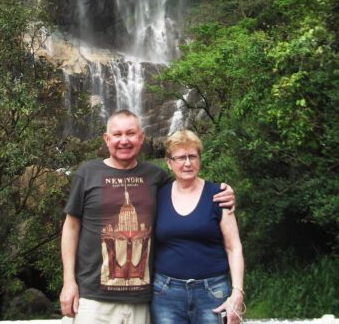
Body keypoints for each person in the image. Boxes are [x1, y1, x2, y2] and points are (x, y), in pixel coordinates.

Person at [60, 109, 235, 324]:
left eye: (131, 133)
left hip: (142, 299)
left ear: (142, 137)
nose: (124, 140)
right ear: (107, 139)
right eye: (117, 134)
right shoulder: (87, 173)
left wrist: (222, 191)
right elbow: (71, 226)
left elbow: (187, 188)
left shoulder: (157, 177)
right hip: (93, 298)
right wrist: (69, 281)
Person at [151, 129, 244, 324]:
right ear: (169, 163)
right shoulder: (157, 195)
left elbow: (233, 247)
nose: (187, 163)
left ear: (200, 159)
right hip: (166, 294)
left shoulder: (219, 195)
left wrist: (237, 292)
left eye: (192, 156)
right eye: (180, 157)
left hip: (213, 292)